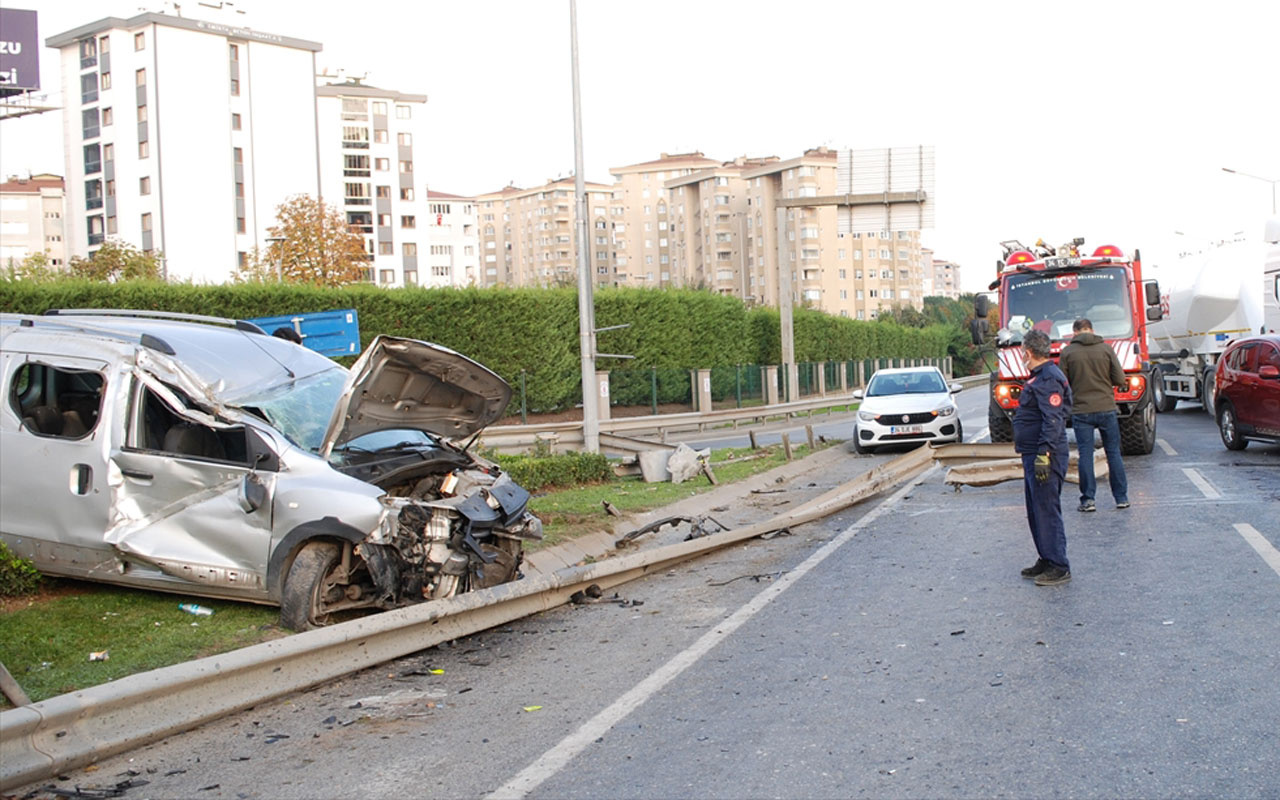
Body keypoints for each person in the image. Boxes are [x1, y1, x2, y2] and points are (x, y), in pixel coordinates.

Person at [1014, 329, 1073, 586]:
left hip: (1045, 454)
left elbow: (1053, 419)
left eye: (1022, 353)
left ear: (1027, 352)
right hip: (1033, 453)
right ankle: (1046, 558)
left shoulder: (1048, 378)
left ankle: (1059, 564)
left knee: (1047, 510)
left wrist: (1044, 454)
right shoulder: (1039, 377)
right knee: (1036, 510)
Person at [1058, 318, 1129, 512]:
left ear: (1074, 333)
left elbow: (1062, 382)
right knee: (1113, 453)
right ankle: (1121, 498)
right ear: (1091, 330)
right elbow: (1120, 379)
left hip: (1082, 411)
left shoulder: (1068, 352)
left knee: (1085, 455)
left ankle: (1088, 500)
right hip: (1107, 408)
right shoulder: (1106, 349)